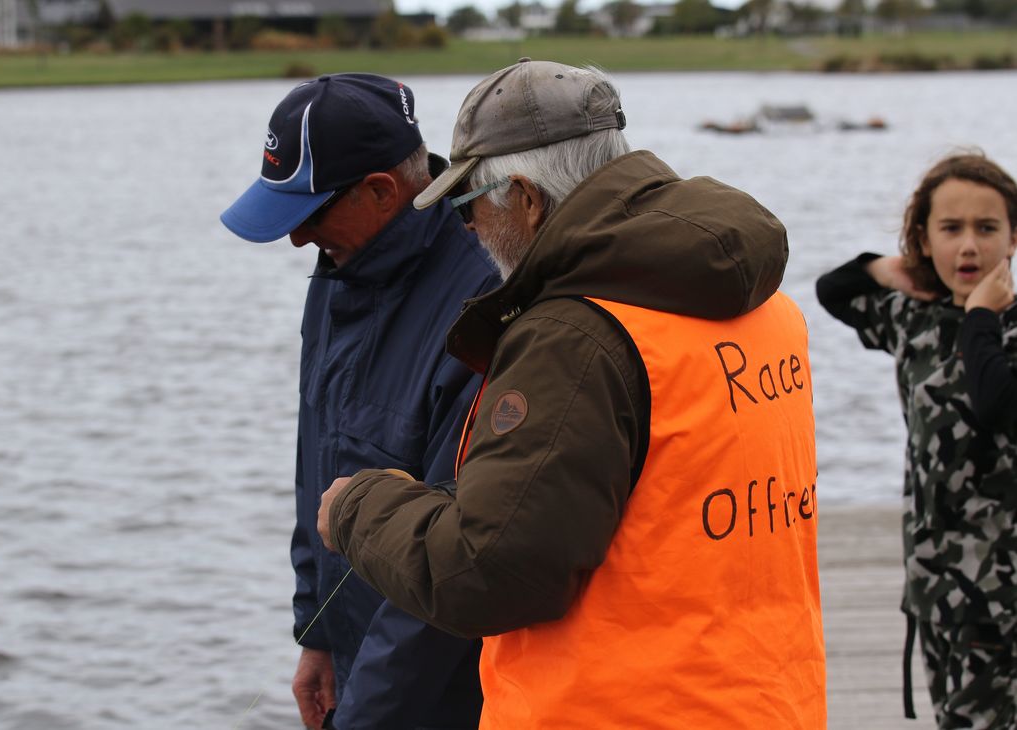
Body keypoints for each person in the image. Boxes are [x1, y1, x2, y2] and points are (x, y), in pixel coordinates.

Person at [316, 59, 827, 728]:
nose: (467, 227)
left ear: (525, 199)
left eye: (469, 203)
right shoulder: (765, 304)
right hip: (768, 701)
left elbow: (489, 573)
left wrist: (358, 507)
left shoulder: (573, 337)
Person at [220, 73, 499, 730]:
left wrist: (365, 716)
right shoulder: (337, 273)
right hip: (360, 676)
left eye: (310, 214)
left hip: (444, 700)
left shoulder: (482, 314)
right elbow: (314, 465)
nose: (296, 238)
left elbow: (449, 571)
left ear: (380, 191)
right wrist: (316, 634)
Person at [816, 152, 1017, 729]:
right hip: (934, 585)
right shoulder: (914, 320)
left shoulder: (1008, 329)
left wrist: (980, 318)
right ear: (924, 239)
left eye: (987, 228)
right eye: (950, 229)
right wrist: (893, 268)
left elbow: (998, 403)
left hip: (1001, 597)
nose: (969, 247)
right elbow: (834, 289)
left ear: (1012, 238)